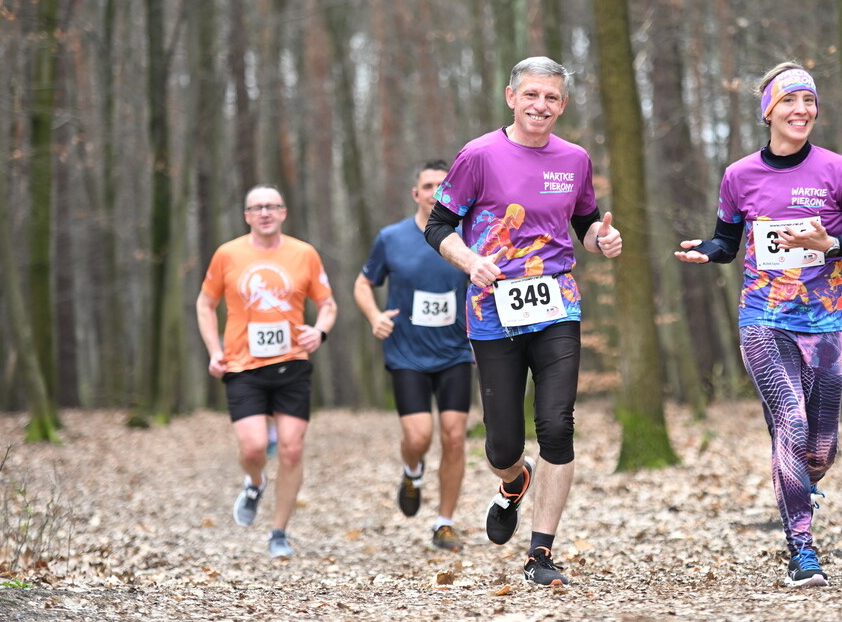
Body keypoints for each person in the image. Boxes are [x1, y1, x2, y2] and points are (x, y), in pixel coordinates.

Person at [674, 62, 842, 588]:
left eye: (810, 101)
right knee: (789, 421)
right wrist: (708, 251)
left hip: (827, 318)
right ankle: (802, 550)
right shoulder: (739, 175)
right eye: (790, 101)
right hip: (764, 317)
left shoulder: (838, 170)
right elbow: (728, 242)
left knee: (820, 448)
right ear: (769, 110)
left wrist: (828, 244)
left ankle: (798, 485)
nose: (802, 110)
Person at [424, 56, 622, 587]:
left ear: (563, 105)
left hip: (557, 303)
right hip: (492, 310)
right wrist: (470, 261)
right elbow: (438, 224)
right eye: (532, 95)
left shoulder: (575, 159)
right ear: (511, 97)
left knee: (557, 424)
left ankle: (541, 553)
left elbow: (582, 219)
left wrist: (599, 239)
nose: (541, 106)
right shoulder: (479, 155)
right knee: (503, 446)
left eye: (552, 98)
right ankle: (514, 483)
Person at [195, 184, 338, 559]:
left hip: (291, 363)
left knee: (291, 450)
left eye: (272, 206)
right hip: (243, 365)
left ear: (283, 212)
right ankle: (255, 481)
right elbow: (205, 304)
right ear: (247, 216)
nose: (265, 213)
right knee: (254, 446)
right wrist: (214, 351)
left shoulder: (303, 253)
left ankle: (279, 532)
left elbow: (328, 305)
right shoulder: (227, 254)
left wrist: (319, 332)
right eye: (257, 207)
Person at [353, 159, 474, 553]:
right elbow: (363, 283)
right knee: (419, 436)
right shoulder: (391, 237)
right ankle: (411, 471)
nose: (436, 191)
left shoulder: (466, 236)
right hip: (407, 352)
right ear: (416, 193)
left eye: (443, 185)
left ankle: (444, 523)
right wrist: (374, 316)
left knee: (454, 437)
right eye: (428, 185)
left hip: (456, 351)